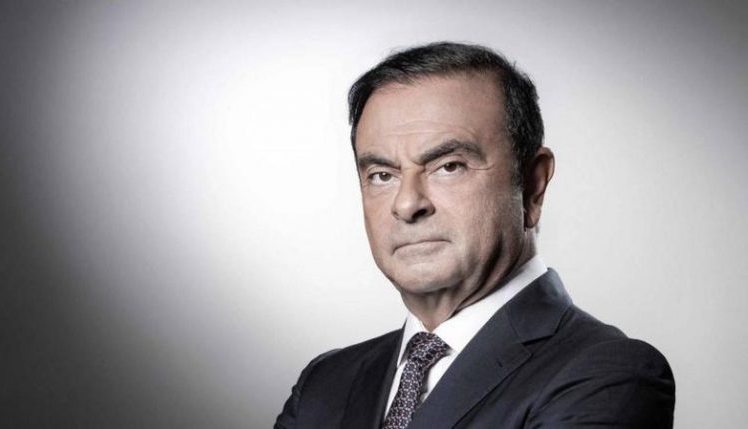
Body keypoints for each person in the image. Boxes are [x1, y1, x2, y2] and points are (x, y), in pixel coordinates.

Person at [274, 42, 675, 429]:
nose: (407, 204)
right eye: (382, 175)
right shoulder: (325, 383)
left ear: (533, 185)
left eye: (449, 166)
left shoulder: (608, 375)